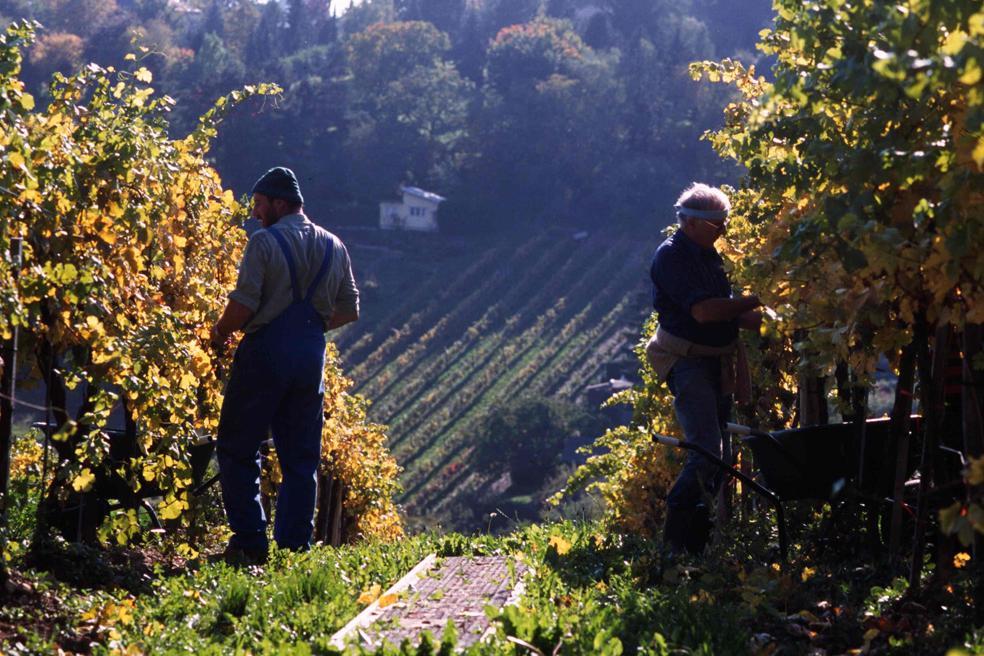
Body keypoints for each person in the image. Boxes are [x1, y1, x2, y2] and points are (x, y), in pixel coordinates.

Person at [210, 167, 359, 565]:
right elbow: (350, 309)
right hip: (311, 356)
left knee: (238, 445)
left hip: (265, 352)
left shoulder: (264, 243)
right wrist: (308, 329)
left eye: (259, 205)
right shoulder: (334, 245)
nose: (256, 214)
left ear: (278, 203)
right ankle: (295, 547)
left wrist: (219, 333)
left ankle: (249, 541)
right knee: (301, 455)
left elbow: (242, 304)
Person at [646, 182, 761, 556]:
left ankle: (698, 545)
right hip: (688, 361)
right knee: (707, 450)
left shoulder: (707, 253)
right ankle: (674, 548)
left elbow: (728, 310)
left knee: (721, 457)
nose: (724, 231)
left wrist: (775, 317)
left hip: (715, 361)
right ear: (691, 222)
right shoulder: (673, 257)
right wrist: (759, 297)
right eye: (718, 225)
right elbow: (704, 311)